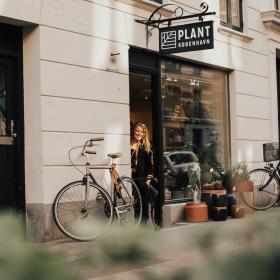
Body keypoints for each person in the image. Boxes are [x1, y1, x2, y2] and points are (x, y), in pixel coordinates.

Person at [131, 122, 153, 225]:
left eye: (141, 132)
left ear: (144, 134)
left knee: (143, 202)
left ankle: (143, 224)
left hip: (142, 179)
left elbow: (150, 167)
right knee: (134, 203)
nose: (139, 133)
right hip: (130, 178)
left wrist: (148, 181)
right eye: (137, 131)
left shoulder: (146, 147)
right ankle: (135, 223)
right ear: (133, 131)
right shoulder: (128, 144)